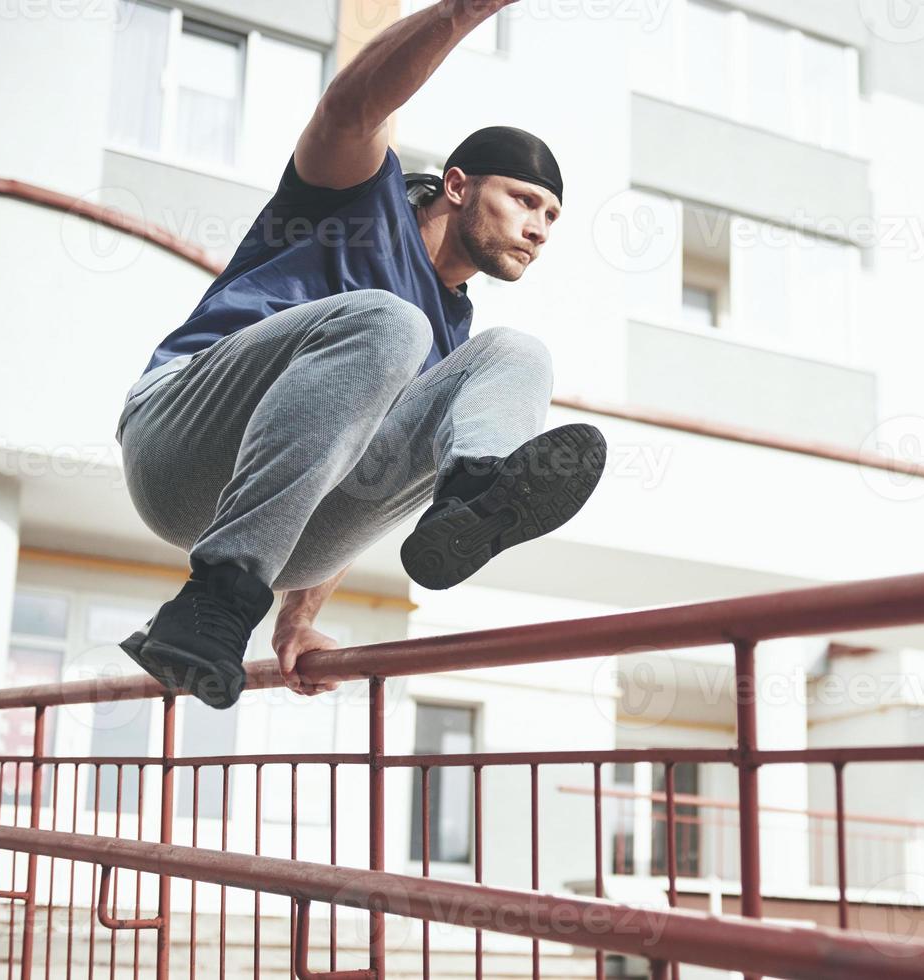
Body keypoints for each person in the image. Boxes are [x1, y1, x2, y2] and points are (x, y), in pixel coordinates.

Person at [113, 0, 605, 710]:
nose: (538, 231)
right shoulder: (350, 194)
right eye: (525, 201)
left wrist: (300, 619)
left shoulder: (455, 334)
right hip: (177, 449)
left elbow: (347, 453)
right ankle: (218, 592)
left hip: (291, 535)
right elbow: (352, 103)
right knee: (391, 324)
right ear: (459, 185)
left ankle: (471, 494)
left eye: (551, 218)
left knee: (515, 355)